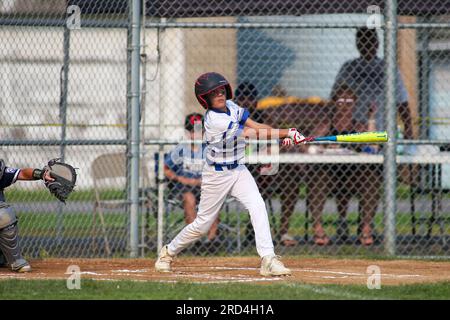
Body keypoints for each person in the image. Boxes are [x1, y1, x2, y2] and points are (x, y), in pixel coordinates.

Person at [155, 72, 306, 276]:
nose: (219, 95)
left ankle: (268, 259)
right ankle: (167, 253)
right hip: (217, 175)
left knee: (258, 205)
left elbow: (258, 127)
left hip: (238, 170)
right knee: (202, 225)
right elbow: (250, 134)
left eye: (220, 90)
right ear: (205, 98)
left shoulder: (232, 107)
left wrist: (280, 136)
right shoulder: (214, 121)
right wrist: (286, 132)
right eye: (213, 93)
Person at [307, 84, 381, 246]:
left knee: (372, 178)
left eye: (349, 102)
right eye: (340, 101)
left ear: (354, 104)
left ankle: (366, 227)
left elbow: (374, 146)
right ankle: (318, 227)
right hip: (330, 174)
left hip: (354, 174)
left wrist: (371, 118)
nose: (345, 106)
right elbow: (309, 144)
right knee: (317, 179)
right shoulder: (327, 125)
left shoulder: (358, 126)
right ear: (334, 103)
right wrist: (324, 146)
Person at [163, 113, 220, 246]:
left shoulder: (208, 149)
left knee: (214, 197)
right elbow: (165, 168)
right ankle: (195, 239)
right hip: (184, 187)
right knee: (189, 199)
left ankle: (212, 240)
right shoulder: (182, 149)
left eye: (199, 131)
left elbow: (218, 168)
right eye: (192, 131)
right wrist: (181, 179)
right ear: (187, 133)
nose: (195, 135)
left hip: (205, 186)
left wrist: (207, 179)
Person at [0, 160, 54, 272]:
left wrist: (42, 174)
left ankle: (13, 260)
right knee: (3, 213)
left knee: (4, 215)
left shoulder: (2, 172)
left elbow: (23, 173)